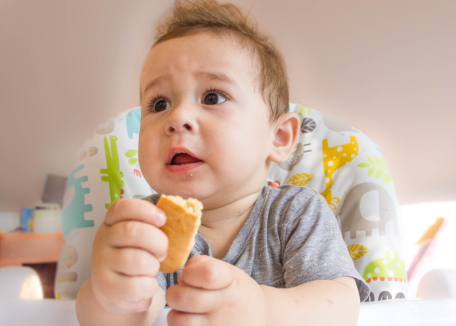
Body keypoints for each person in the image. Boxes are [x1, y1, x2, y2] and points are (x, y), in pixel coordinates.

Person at [75, 0, 370, 325]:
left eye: (212, 97)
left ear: (279, 138)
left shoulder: (296, 213)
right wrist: (110, 295)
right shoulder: (150, 225)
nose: (177, 118)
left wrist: (260, 308)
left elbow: (341, 306)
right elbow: (132, 318)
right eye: (159, 103)